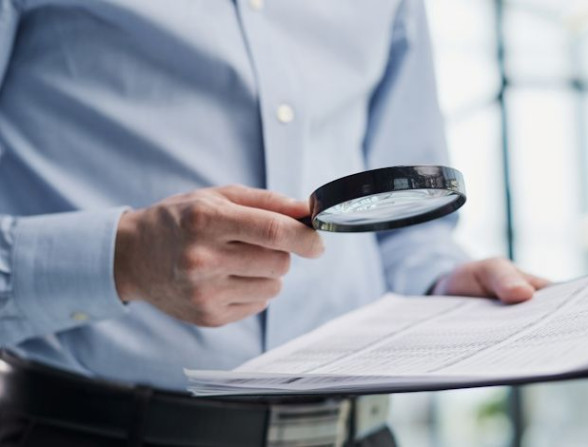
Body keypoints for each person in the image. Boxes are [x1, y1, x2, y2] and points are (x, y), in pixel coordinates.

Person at [0, 0, 548, 445]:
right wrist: (125, 259)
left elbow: (407, 231)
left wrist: (441, 281)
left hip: (358, 432)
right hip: (85, 428)